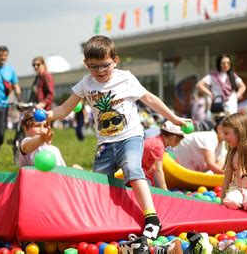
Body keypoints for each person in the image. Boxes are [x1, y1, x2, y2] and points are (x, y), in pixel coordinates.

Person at [46, 35, 190, 240]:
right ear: (86, 64)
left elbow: (150, 98)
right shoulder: (85, 84)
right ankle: (102, 217)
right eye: (94, 67)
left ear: (115, 60)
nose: (100, 71)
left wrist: (173, 118)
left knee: (132, 168)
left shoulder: (126, 78)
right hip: (105, 143)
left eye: (105, 65)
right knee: (98, 181)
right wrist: (49, 115)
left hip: (130, 137)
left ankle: (151, 218)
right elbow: (65, 108)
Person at [141, 121, 185, 190]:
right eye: (179, 141)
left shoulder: (153, 140)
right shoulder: (159, 147)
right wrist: (165, 190)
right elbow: (159, 170)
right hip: (142, 178)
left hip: (136, 174)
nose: (179, 143)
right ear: (174, 138)